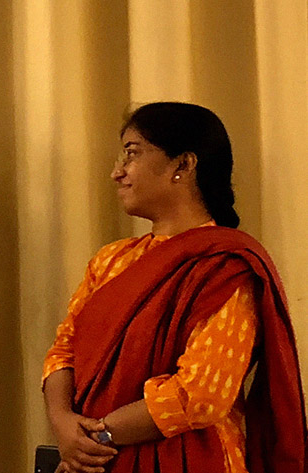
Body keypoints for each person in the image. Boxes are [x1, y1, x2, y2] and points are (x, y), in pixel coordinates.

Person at [42, 102, 307, 473]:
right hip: (95, 462)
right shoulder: (110, 261)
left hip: (188, 458)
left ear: (183, 164)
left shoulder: (226, 265)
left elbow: (201, 395)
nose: (117, 172)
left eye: (132, 154)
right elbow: (63, 351)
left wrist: (92, 438)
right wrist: (63, 423)